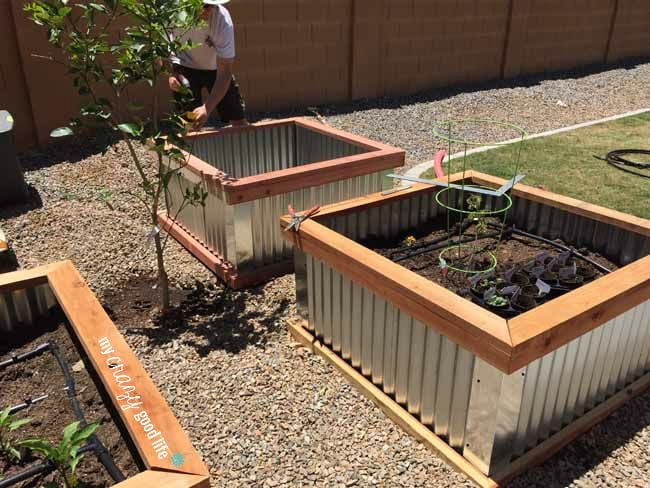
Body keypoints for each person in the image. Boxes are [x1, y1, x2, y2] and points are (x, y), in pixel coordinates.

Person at [168, 0, 247, 130]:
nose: (209, 10)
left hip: (216, 69)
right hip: (184, 66)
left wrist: (207, 107)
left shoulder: (222, 21)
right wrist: (172, 73)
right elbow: (162, 43)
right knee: (189, 124)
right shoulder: (171, 13)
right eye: (204, 5)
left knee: (238, 121)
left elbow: (225, 72)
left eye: (212, 5)